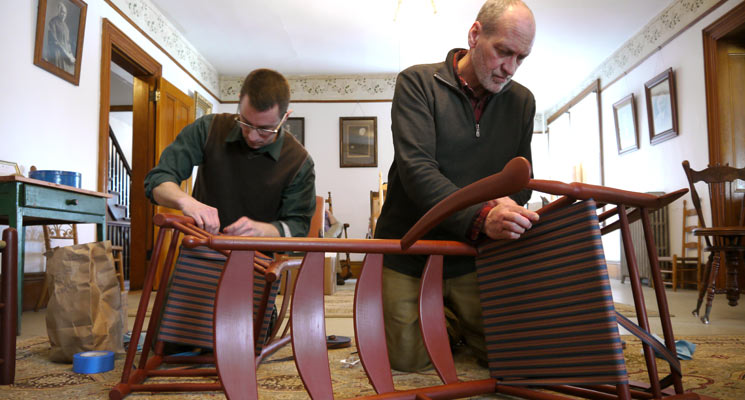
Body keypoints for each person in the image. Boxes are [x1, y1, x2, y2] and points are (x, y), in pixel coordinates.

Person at [373, 0, 540, 372]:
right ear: (475, 35)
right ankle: (443, 321)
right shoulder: (416, 83)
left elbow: (521, 180)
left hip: (473, 253)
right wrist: (483, 215)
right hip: (410, 247)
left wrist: (510, 205)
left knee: (506, 357)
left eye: (521, 58)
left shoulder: (522, 102)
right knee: (408, 363)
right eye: (503, 52)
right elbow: (418, 171)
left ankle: (447, 321)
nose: (509, 68)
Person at [145, 68, 316, 238]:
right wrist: (187, 203)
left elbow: (298, 226)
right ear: (240, 101)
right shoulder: (208, 128)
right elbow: (158, 181)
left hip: (258, 259)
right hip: (200, 249)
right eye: (246, 123)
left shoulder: (299, 162)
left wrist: (262, 230)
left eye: (265, 130)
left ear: (285, 117)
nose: (253, 136)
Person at [46, 2, 76, 74]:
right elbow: (55, 41)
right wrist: (67, 54)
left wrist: (71, 54)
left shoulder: (66, 27)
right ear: (59, 12)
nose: (64, 14)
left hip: (65, 56)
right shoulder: (53, 22)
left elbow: (68, 43)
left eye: (65, 13)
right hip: (57, 54)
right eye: (62, 12)